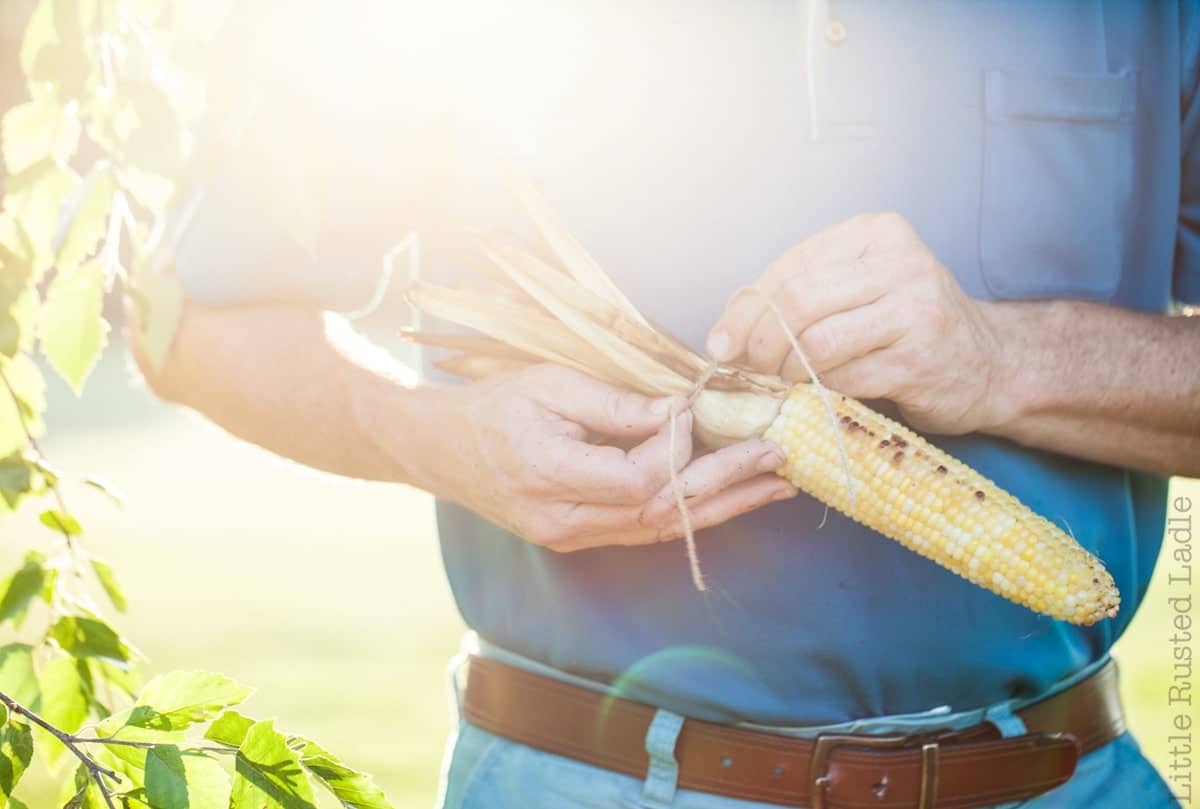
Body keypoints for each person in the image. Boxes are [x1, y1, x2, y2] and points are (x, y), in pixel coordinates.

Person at [139, 3, 1199, 807]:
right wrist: (426, 434)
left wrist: (1004, 357)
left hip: (1064, 776)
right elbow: (183, 320)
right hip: (594, 780)